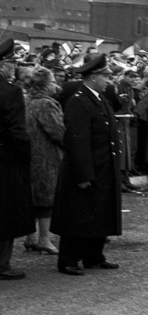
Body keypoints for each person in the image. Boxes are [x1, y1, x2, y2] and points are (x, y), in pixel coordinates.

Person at [51, 53, 122, 275]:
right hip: (86, 168)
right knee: (78, 214)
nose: (108, 80)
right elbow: (77, 141)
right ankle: (69, 259)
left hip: (103, 166)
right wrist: (83, 174)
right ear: (92, 77)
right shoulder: (79, 102)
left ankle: (94, 255)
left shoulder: (101, 100)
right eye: (105, 76)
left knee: (99, 212)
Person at [0, 39, 34, 280]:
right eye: (12, 61)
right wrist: (26, 155)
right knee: (5, 212)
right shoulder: (10, 92)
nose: (15, 66)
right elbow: (17, 131)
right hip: (5, 160)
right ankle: (2, 264)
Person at [24, 66, 65, 255]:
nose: (55, 85)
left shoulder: (26, 101)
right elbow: (57, 131)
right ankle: (44, 239)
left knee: (32, 197)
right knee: (46, 200)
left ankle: (30, 237)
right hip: (47, 156)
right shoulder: (47, 104)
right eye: (52, 82)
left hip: (29, 154)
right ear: (44, 85)